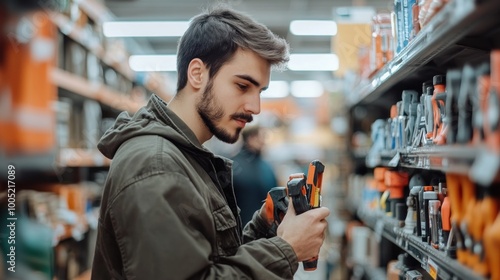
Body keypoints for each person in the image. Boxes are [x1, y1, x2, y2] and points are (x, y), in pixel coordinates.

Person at [91, 5, 330, 280]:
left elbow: (209, 264)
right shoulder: (156, 166)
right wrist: (286, 249)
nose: (255, 107)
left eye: (260, 91)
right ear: (197, 74)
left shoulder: (186, 156)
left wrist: (266, 229)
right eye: (242, 86)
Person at [232, 125, 278, 225]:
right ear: (250, 138)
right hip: (242, 228)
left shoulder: (266, 166)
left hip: (265, 227)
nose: (263, 141)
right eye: (260, 136)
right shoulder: (233, 165)